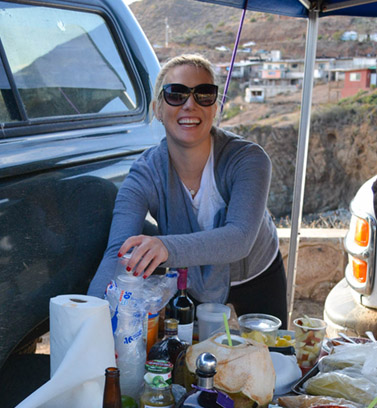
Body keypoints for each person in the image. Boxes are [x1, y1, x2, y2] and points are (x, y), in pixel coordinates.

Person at [87, 53, 287, 323]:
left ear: (215, 107)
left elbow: (240, 238)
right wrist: (90, 319)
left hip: (256, 274)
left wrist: (165, 247)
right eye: (176, 94)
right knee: (184, 360)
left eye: (203, 94)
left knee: (274, 357)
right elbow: (117, 253)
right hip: (190, 279)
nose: (190, 105)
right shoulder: (145, 174)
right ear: (157, 109)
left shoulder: (248, 159)